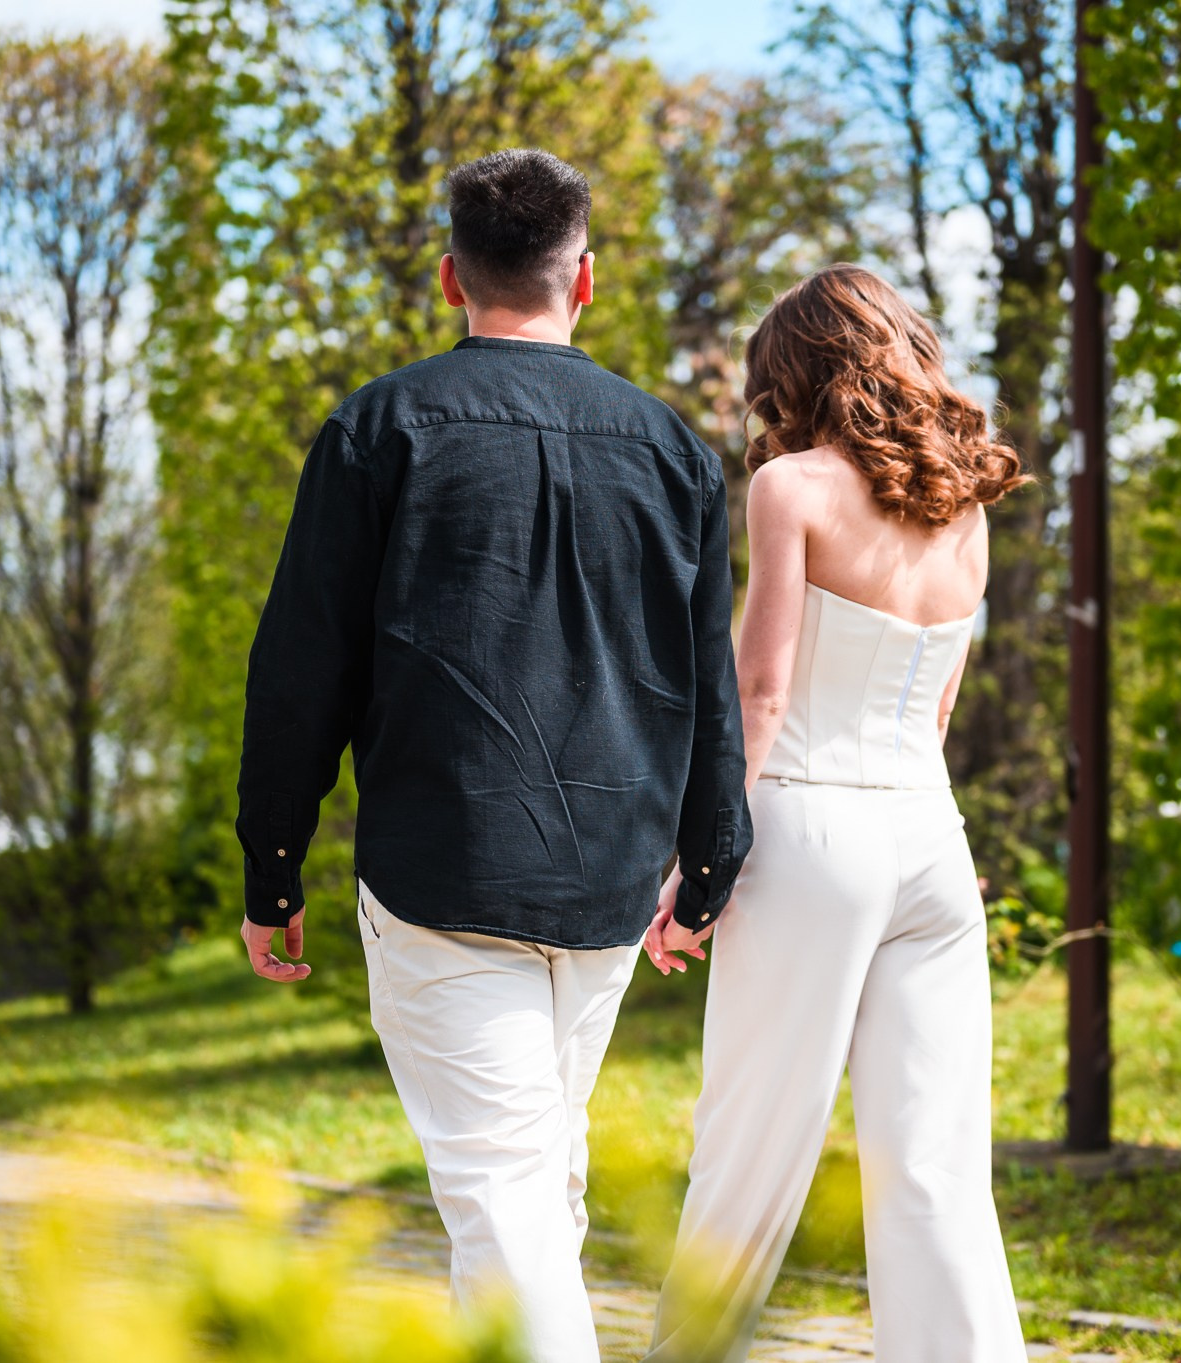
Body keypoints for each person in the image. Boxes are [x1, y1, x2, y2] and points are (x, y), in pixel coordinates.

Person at [231, 148, 751, 1363]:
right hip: (610, 876)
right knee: (535, 1181)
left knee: (505, 1195)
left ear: (449, 277)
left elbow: (299, 670)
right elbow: (706, 683)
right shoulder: (674, 451)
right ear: (585, 279)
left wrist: (273, 865)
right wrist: (705, 865)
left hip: (444, 868)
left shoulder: (376, 431)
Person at [641, 264, 1034, 1362]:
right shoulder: (965, 503)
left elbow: (760, 694)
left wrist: (700, 865)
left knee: (748, 1150)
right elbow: (941, 706)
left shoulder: (791, 489)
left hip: (809, 832)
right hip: (930, 839)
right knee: (934, 1165)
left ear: (796, 375)